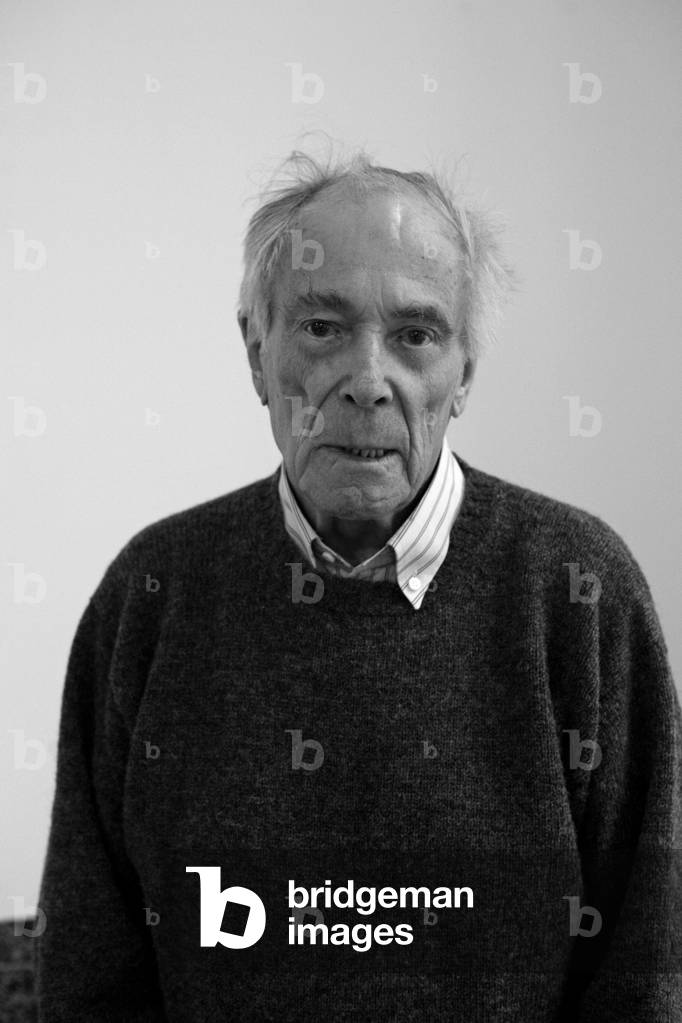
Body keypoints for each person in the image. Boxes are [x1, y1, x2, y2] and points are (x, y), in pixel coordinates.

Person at [36, 147, 681, 1021]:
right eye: (322, 328)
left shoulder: (579, 591)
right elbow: (91, 979)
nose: (368, 384)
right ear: (257, 352)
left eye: (416, 335)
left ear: (464, 374)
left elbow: (647, 974)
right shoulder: (150, 595)